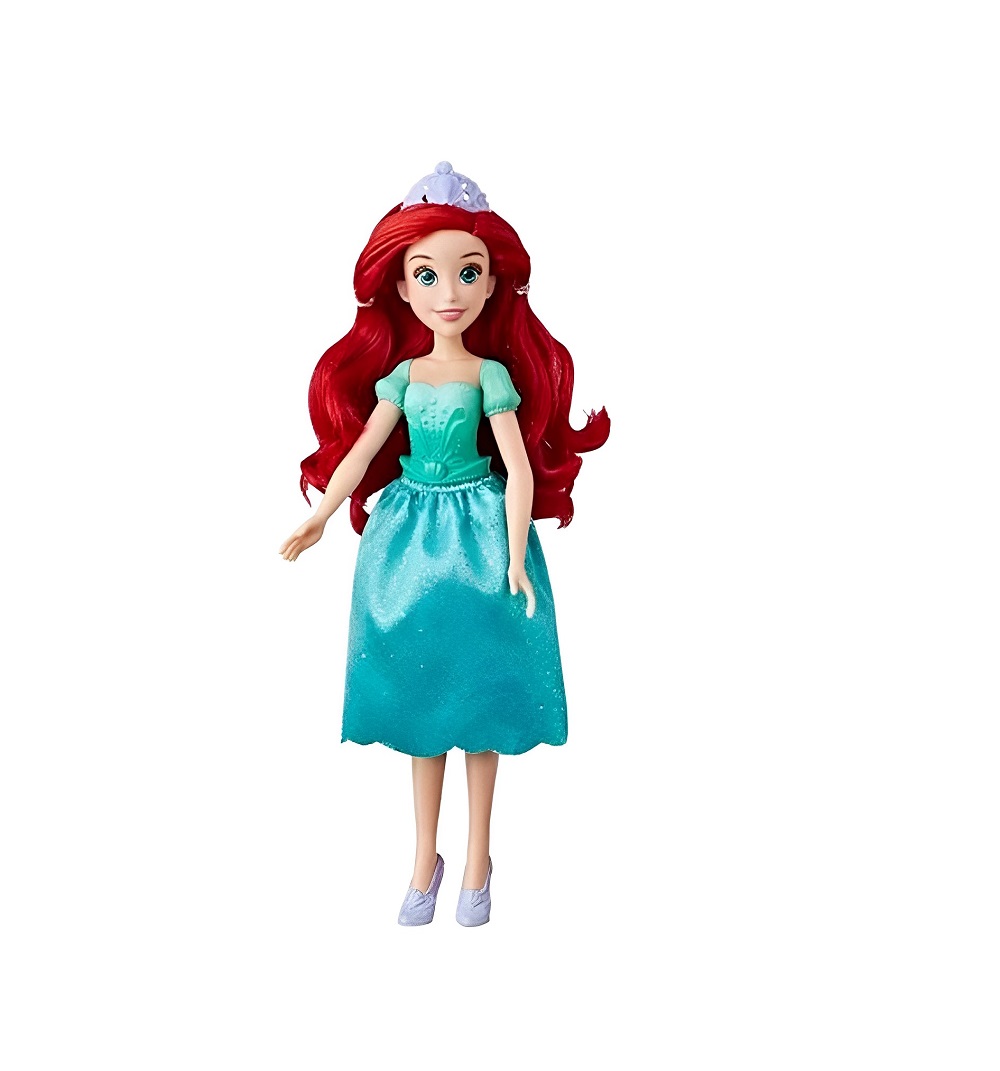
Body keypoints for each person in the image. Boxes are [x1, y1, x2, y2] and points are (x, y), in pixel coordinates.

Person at [279, 163, 609, 926]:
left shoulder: (490, 374)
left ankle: (478, 856)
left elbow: (517, 467)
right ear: (402, 286)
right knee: (423, 703)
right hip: (408, 541)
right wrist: (322, 512)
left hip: (480, 537)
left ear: (491, 283)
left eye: (468, 272)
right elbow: (364, 448)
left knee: (479, 701)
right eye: (427, 274)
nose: (449, 291)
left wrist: (516, 553)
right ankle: (424, 855)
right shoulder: (402, 375)